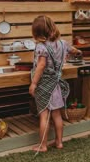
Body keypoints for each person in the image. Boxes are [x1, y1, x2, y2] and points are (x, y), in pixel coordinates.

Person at [29, 15, 82, 152]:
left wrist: (34, 83)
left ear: (37, 33)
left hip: (44, 84)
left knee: (44, 115)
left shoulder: (42, 47)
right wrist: (78, 52)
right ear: (53, 28)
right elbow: (73, 50)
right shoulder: (62, 43)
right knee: (57, 114)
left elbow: (41, 65)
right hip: (56, 83)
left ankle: (43, 145)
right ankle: (59, 142)